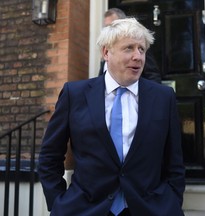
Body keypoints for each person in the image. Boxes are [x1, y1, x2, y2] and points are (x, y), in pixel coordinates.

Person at [38, 18, 185, 216]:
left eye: (141, 49)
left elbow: (174, 161)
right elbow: (50, 156)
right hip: (86, 209)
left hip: (149, 209)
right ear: (106, 52)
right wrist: (57, 202)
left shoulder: (163, 98)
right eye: (129, 48)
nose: (138, 56)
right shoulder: (75, 94)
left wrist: (172, 202)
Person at [99, 8, 162, 84]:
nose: (137, 56)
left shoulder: (139, 51)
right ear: (106, 52)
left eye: (114, 25)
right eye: (107, 27)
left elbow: (153, 76)